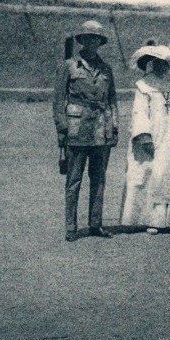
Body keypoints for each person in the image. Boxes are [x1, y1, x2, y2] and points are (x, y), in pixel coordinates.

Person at [53, 20, 120, 242]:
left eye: (96, 39)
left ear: (100, 42)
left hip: (101, 129)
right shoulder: (69, 66)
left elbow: (112, 100)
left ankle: (95, 224)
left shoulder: (106, 69)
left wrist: (114, 126)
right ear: (81, 41)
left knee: (99, 179)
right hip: (76, 129)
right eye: (88, 38)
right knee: (73, 180)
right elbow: (58, 100)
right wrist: (61, 128)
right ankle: (71, 226)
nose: (92, 42)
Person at [120, 45, 170, 234]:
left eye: (166, 64)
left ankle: (169, 221)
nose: (163, 67)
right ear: (152, 64)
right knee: (147, 176)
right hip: (151, 140)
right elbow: (140, 113)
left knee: (168, 178)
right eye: (159, 63)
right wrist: (144, 136)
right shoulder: (143, 86)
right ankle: (147, 220)